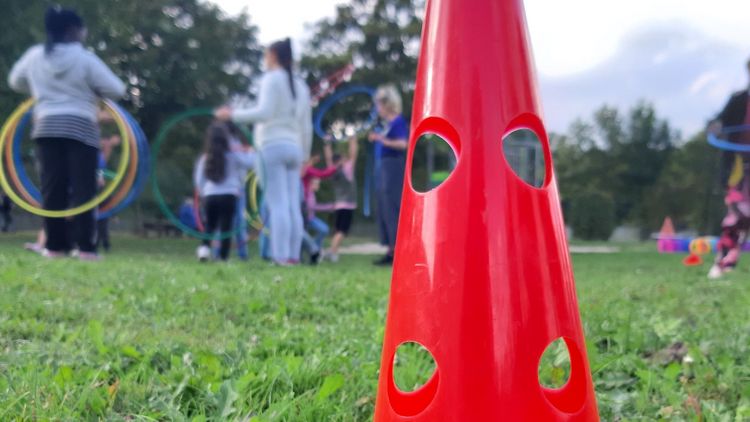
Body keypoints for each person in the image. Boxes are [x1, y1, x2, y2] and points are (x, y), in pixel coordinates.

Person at [8, 6, 126, 260]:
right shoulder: (85, 58)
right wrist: (93, 92)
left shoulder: (35, 55)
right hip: (81, 127)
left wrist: (41, 88)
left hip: (46, 126)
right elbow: (117, 89)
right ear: (73, 30)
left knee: (53, 189)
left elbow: (15, 81)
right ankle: (85, 248)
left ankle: (54, 247)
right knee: (84, 189)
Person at [215, 38, 313, 266]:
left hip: (271, 145)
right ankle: (293, 256)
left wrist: (232, 114)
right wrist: (305, 156)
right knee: (291, 205)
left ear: (273, 56)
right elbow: (306, 126)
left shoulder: (272, 79)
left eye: (266, 55)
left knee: (277, 204)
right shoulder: (301, 86)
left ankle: (280, 257)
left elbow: (264, 112)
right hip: (294, 148)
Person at [706, 58, 750, 279]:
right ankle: (723, 264)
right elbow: (720, 122)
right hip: (739, 169)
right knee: (736, 217)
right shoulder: (738, 100)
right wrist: (715, 126)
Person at [194, 123, 255, 262]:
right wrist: (251, 151)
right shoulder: (233, 155)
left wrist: (203, 193)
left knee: (209, 225)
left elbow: (199, 179)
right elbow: (249, 163)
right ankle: (222, 257)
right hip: (229, 195)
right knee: (226, 227)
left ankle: (204, 250)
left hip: (210, 195)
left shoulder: (206, 157)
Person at [368, 85, 409, 266]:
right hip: (381, 165)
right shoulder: (383, 124)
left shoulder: (398, 122)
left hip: (392, 166)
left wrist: (381, 139)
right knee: (383, 207)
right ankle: (390, 248)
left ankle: (398, 250)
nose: (378, 108)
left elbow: (402, 144)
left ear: (387, 104)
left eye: (379, 104)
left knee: (392, 205)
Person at [323, 136, 359, 263]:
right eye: (344, 159)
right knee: (342, 231)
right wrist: (353, 141)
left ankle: (333, 252)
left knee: (338, 230)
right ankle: (332, 252)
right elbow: (353, 155)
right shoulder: (346, 170)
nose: (346, 159)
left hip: (339, 205)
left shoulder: (332, 171)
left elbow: (328, 159)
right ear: (341, 161)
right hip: (347, 205)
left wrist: (327, 144)